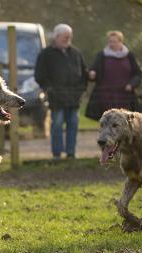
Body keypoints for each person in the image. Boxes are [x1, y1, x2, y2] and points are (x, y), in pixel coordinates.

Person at [34, 24, 87, 159]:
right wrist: (49, 89)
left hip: (74, 98)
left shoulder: (76, 53)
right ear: (57, 37)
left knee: (73, 124)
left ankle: (71, 153)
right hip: (56, 97)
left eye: (70, 36)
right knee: (57, 125)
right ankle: (56, 154)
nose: (68, 39)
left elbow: (84, 73)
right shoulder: (46, 54)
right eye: (65, 37)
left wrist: (80, 90)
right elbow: (39, 75)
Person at [85, 31, 142, 121]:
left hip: (125, 96)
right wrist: (92, 74)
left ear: (121, 42)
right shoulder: (101, 55)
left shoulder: (129, 56)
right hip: (105, 96)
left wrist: (132, 84)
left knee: (126, 122)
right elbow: (94, 70)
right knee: (108, 122)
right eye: (110, 41)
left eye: (114, 42)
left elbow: (138, 74)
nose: (111, 44)